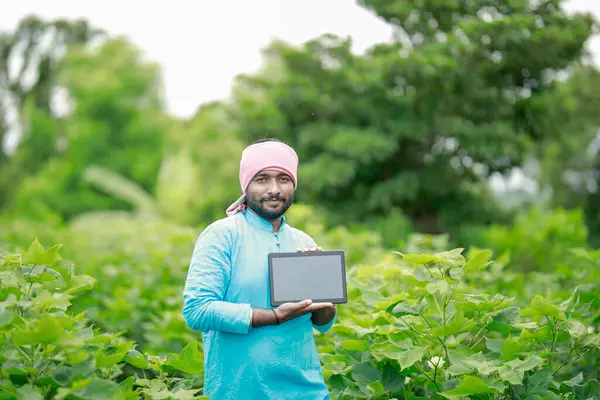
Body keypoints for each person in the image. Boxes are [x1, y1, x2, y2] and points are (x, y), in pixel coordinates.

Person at [182, 138, 337, 399]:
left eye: (284, 179)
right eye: (262, 179)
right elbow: (197, 310)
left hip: (305, 390)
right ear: (247, 185)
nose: (274, 189)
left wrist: (325, 301)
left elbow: (322, 324)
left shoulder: (303, 242)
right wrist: (273, 316)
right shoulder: (222, 235)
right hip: (240, 389)